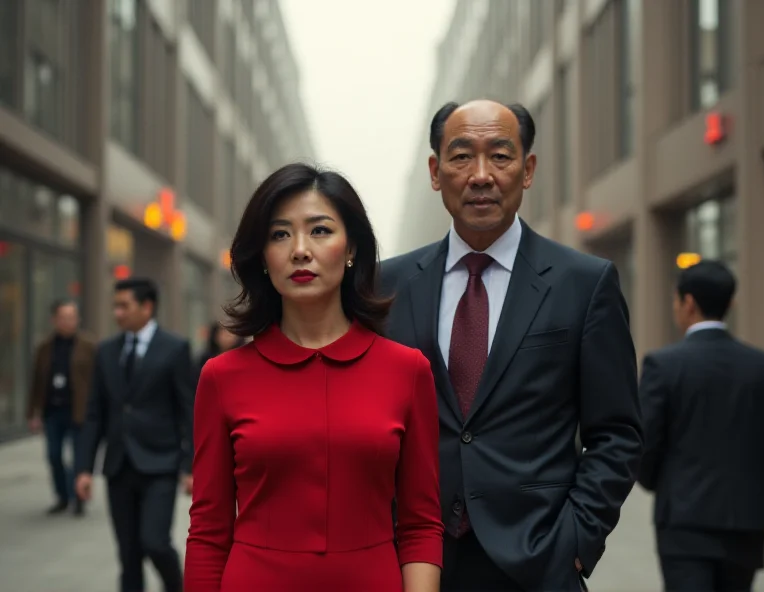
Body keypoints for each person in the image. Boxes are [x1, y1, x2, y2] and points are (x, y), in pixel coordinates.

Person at [380, 100, 643, 591]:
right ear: (436, 172)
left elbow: (617, 432)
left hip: (538, 561)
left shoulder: (584, 283)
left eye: (500, 156)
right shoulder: (387, 286)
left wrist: (578, 541)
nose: (481, 175)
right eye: (461, 157)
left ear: (528, 169)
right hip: (412, 563)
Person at [185, 163, 443, 591]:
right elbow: (209, 532)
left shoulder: (408, 371)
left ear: (352, 249)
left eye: (320, 230)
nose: (299, 250)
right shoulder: (222, 377)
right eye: (280, 234)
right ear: (263, 257)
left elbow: (420, 525)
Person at [638, 260, 764, 591]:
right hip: (745, 525)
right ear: (730, 304)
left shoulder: (663, 366)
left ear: (688, 303)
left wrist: (659, 482)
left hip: (683, 523)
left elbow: (645, 443)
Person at [76, 277, 194, 592]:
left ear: (147, 307)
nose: (117, 313)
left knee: (155, 542)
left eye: (123, 306)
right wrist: (84, 468)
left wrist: (190, 466)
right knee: (128, 556)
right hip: (118, 466)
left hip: (161, 464)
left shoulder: (174, 348)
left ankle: (177, 586)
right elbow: (94, 414)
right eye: (115, 306)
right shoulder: (106, 351)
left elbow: (189, 411)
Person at [27, 298, 95, 516]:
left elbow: (97, 382)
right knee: (54, 456)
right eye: (63, 318)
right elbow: (36, 381)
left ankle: (78, 498)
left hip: (78, 411)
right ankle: (63, 496)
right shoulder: (45, 348)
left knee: (78, 458)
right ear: (54, 320)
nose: (68, 322)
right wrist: (33, 413)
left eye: (72, 317)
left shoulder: (89, 346)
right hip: (52, 410)